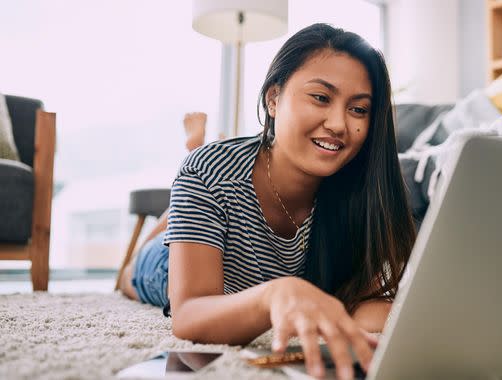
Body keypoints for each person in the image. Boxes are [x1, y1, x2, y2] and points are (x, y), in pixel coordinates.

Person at [120, 23, 416, 380]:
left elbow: (364, 307)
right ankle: (169, 220)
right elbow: (189, 317)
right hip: (186, 271)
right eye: (321, 98)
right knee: (138, 273)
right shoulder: (211, 171)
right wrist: (275, 294)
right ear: (273, 99)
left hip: (249, 264)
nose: (339, 124)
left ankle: (181, 210)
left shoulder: (362, 189)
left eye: (358, 110)